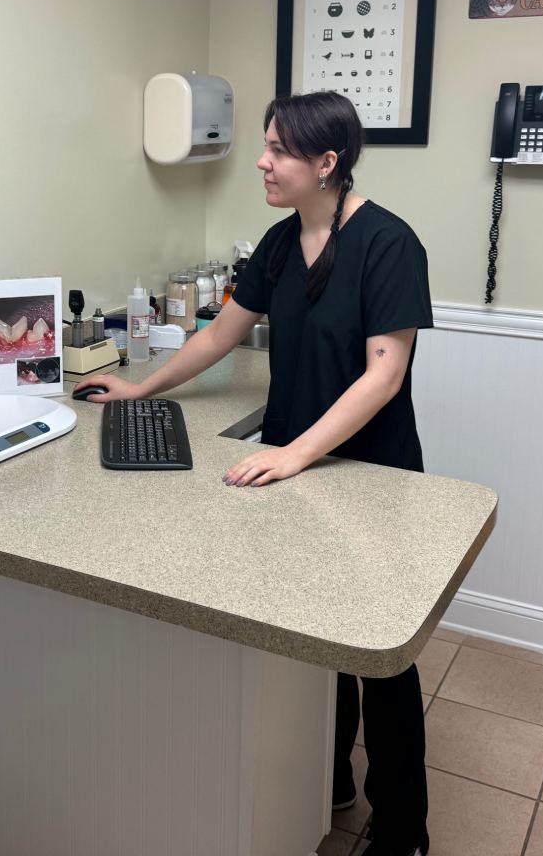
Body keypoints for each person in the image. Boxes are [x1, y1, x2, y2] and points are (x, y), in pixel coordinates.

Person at [76, 90, 433, 856]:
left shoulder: (389, 244)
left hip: (370, 471)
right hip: (291, 469)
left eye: (277, 150)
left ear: (327, 163)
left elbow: (384, 375)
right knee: (309, 635)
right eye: (264, 147)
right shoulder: (277, 245)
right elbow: (219, 336)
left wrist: (296, 451)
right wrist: (140, 387)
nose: (263, 163)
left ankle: (403, 828)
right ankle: (325, 776)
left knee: (379, 656)